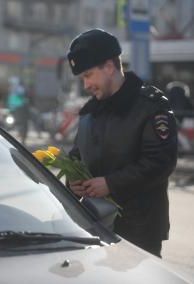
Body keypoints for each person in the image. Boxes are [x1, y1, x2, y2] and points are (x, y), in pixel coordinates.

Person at [66, 28, 178, 257]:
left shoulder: (150, 106)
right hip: (95, 225)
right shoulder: (89, 112)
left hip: (139, 231)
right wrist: (73, 182)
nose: (85, 85)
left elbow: (160, 163)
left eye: (88, 75)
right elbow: (77, 155)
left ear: (109, 67)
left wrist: (110, 183)